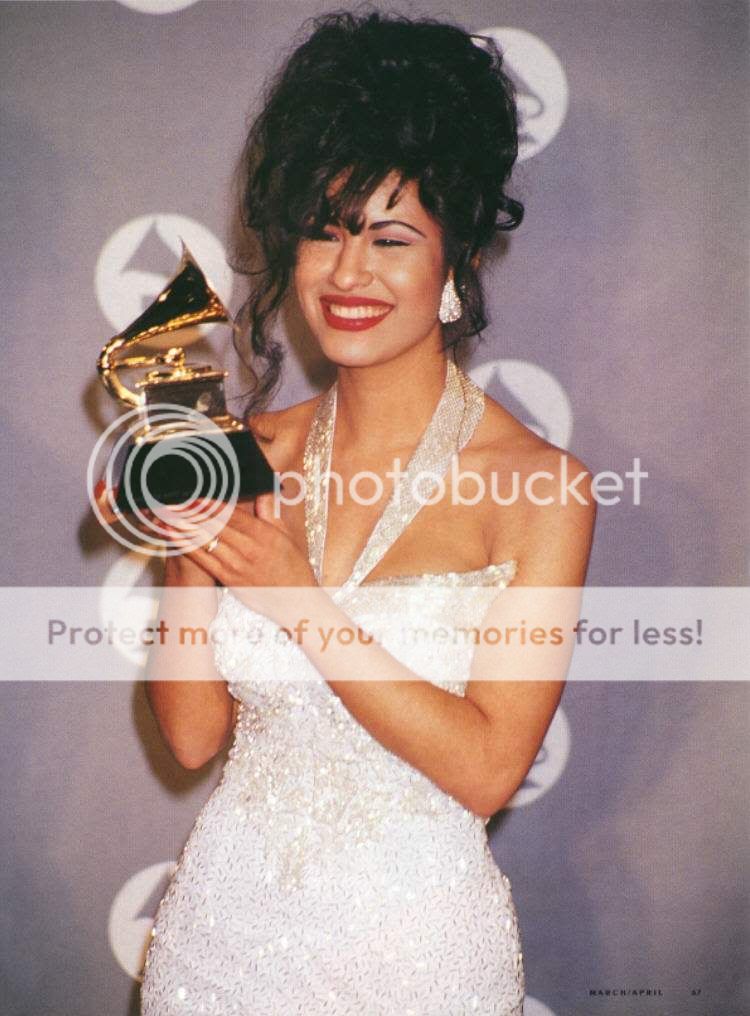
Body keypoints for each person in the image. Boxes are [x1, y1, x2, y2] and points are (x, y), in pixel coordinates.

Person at [97, 10, 596, 1014]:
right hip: (220, 948)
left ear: (455, 260)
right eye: (323, 231)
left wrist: (297, 595)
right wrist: (182, 544)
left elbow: (490, 766)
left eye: (390, 236)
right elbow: (192, 735)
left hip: (417, 959)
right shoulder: (253, 451)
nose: (347, 272)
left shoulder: (542, 486)